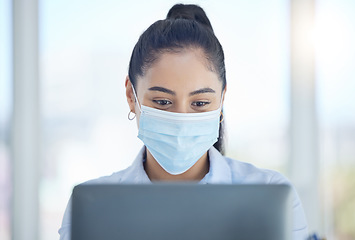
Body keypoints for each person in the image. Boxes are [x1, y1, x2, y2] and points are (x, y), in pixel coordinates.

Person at [59, 3, 308, 240]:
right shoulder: (93, 207)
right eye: (163, 102)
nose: (181, 120)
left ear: (221, 100)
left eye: (199, 103)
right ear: (130, 96)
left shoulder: (269, 194)